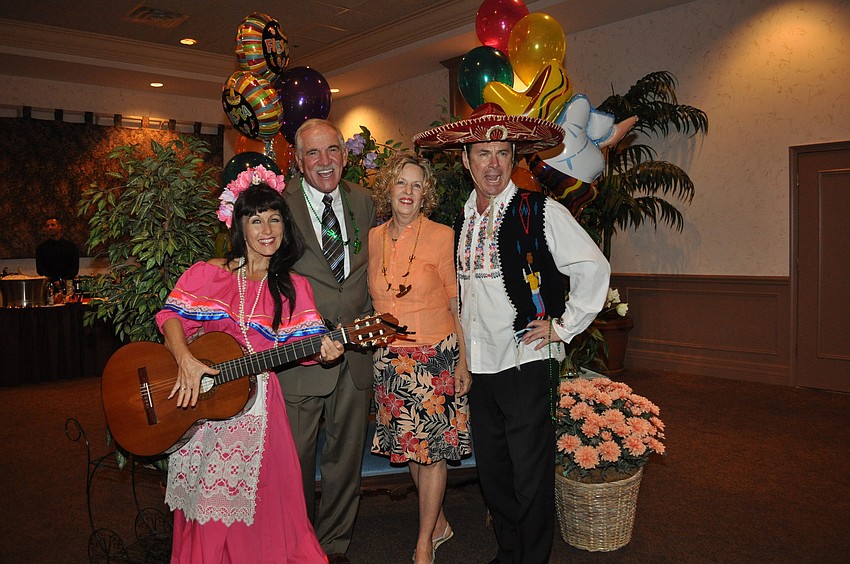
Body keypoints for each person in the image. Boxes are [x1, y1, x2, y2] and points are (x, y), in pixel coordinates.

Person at [414, 103, 611, 564]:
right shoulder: (460, 220)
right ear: (466, 159)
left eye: (503, 152)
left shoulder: (538, 209)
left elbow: (592, 267)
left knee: (529, 474)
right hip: (478, 368)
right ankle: (509, 552)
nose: (494, 164)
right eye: (483, 153)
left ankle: (532, 558)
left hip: (524, 360)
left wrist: (562, 327)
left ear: (513, 157)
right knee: (496, 474)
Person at [155, 167, 345, 563]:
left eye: (274, 218)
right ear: (239, 225)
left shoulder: (294, 288)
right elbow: (170, 316)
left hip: (258, 412)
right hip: (201, 411)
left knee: (265, 509)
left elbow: (309, 345)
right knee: (204, 509)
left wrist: (329, 350)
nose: (266, 228)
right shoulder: (210, 273)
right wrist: (185, 358)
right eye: (255, 219)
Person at [367, 153, 472, 563]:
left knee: (433, 453)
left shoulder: (442, 235)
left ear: (424, 193)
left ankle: (424, 541)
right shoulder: (374, 239)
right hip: (390, 361)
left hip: (435, 359)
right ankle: (440, 522)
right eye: (401, 183)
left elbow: (455, 301)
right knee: (412, 448)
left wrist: (463, 361)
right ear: (388, 188)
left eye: (416, 185)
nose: (408, 192)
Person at [282, 118, 376, 563]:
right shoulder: (279, 207)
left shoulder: (365, 202)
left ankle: (332, 547)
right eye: (313, 153)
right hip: (302, 359)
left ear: (345, 153)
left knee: (345, 462)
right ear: (298, 161)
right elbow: (270, 282)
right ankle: (297, 544)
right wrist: (306, 332)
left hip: (357, 353)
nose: (325, 161)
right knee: (295, 462)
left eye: (332, 150)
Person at [35, 217, 79, 283]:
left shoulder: (71, 246)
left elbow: (74, 268)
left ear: (59, 227)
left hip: (68, 284)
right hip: (49, 284)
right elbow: (40, 269)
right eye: (47, 226)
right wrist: (52, 280)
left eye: (53, 225)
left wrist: (63, 281)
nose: (50, 227)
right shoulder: (41, 248)